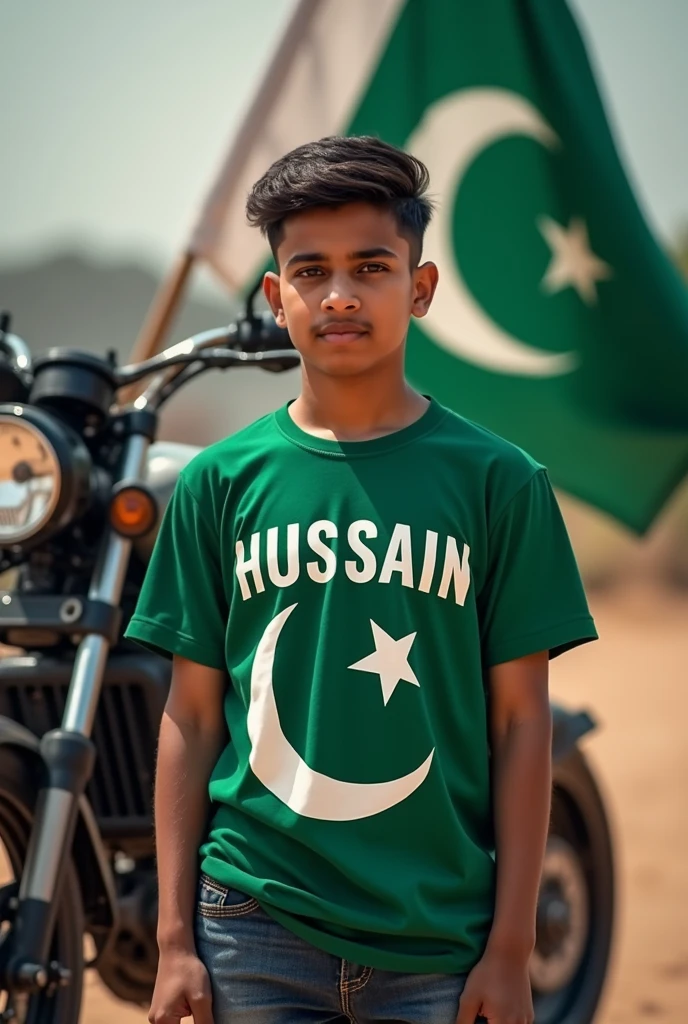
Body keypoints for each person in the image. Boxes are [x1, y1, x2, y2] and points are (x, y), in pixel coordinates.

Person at [125, 135, 598, 1024]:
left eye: (371, 267)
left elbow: (524, 721)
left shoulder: (500, 483)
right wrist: (176, 941)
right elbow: (189, 715)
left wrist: (510, 948)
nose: (339, 295)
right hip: (251, 924)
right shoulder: (219, 484)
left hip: (438, 937)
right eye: (311, 271)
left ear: (419, 289)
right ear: (276, 298)